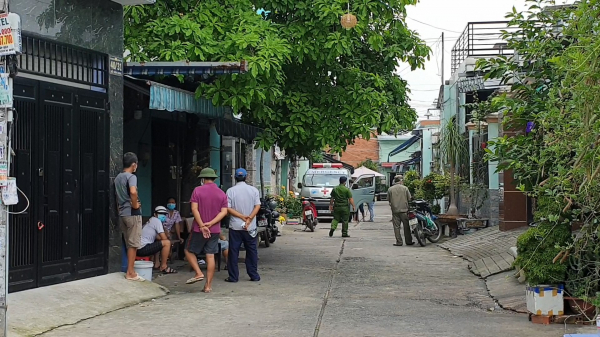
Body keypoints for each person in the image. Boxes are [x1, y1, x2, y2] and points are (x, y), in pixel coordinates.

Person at [185, 168, 228, 293]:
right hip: (214, 230)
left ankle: (198, 273)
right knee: (210, 256)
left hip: (198, 229)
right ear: (214, 179)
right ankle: (208, 286)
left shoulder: (197, 190)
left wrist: (202, 225)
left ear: (202, 179)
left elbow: (194, 209)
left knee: (188, 250)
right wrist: (211, 224)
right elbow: (224, 212)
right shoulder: (221, 193)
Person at [225, 168, 261, 283]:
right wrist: (249, 218)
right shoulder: (254, 190)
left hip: (235, 226)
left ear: (235, 177)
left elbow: (228, 208)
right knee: (252, 251)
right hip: (250, 227)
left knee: (233, 251)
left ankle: (233, 277)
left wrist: (241, 216)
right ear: (246, 177)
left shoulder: (230, 191)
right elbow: (257, 206)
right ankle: (254, 275)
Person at [115, 152, 144, 281]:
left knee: (128, 243)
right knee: (133, 244)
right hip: (132, 214)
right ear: (133, 165)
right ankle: (130, 272)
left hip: (122, 213)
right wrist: (135, 205)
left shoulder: (117, 178)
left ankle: (128, 269)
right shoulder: (131, 177)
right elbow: (133, 191)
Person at [137, 206, 177, 274]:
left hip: (139, 248)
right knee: (167, 243)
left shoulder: (151, 220)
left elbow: (158, 238)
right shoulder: (156, 220)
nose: (163, 216)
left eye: (164, 214)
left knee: (159, 242)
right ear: (155, 214)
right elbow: (164, 238)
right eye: (160, 214)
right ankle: (163, 266)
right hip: (142, 249)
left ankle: (157, 264)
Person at [387, 175, 414, 246]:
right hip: (404, 210)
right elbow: (409, 198)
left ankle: (399, 242)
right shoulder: (405, 188)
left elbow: (389, 200)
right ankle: (408, 241)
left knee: (396, 227)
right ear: (401, 180)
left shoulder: (390, 189)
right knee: (406, 226)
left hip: (395, 210)